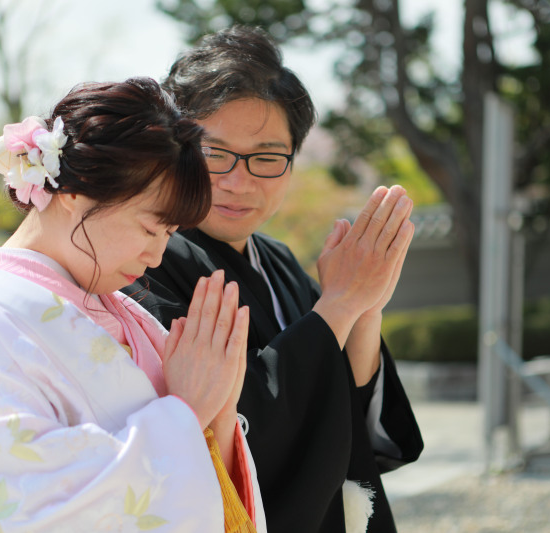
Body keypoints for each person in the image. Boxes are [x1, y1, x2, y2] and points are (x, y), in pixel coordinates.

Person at [0, 77, 267, 533]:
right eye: (150, 229)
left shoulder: (130, 316)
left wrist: (219, 411)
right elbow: (24, 501)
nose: (156, 256)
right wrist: (185, 412)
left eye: (169, 235)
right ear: (74, 193)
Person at [127, 26, 424, 533]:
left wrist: (364, 308)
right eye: (214, 153)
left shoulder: (278, 259)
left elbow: (351, 416)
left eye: (266, 157)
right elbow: (232, 428)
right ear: (174, 148)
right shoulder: (145, 263)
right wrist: (338, 305)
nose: (238, 182)